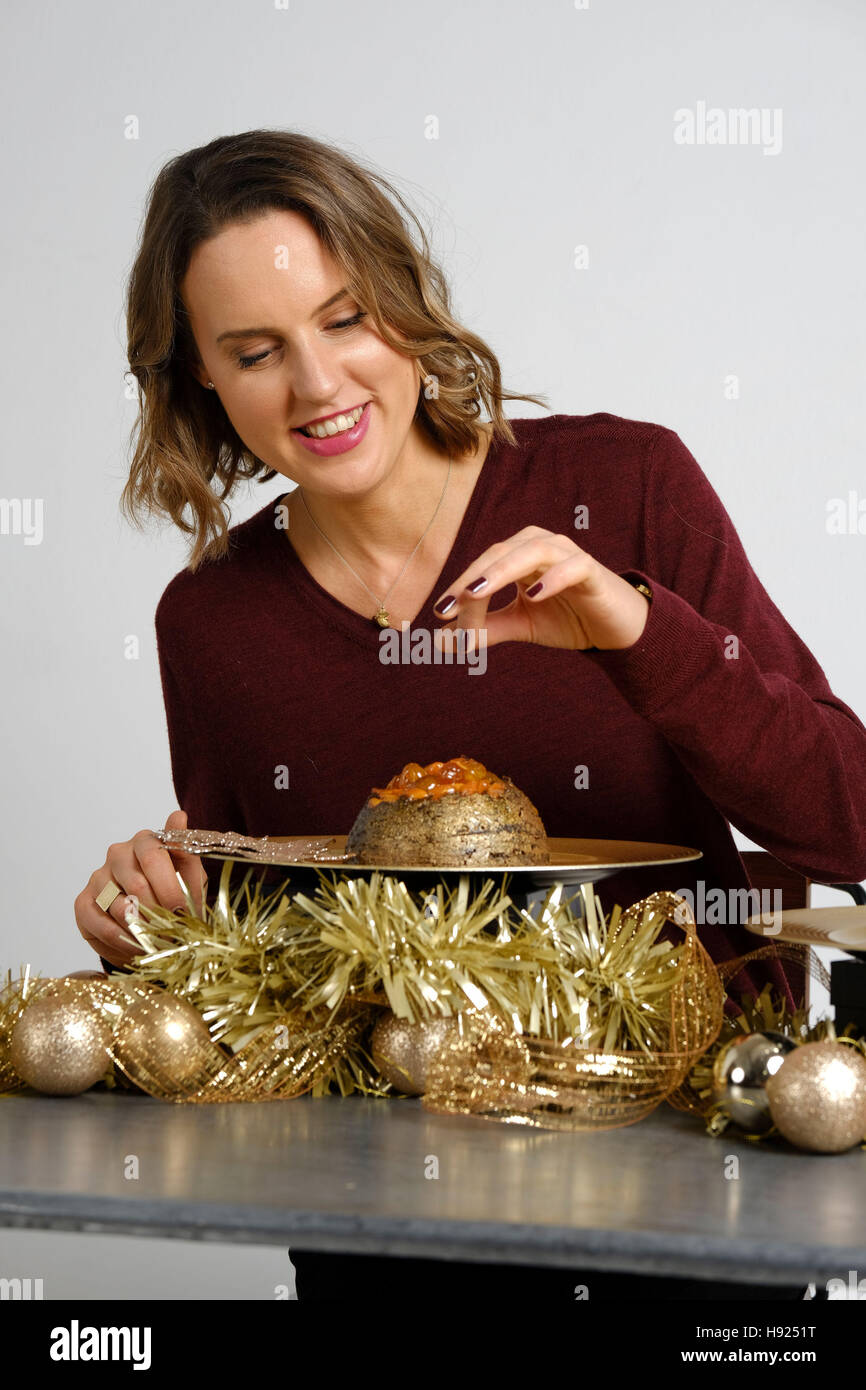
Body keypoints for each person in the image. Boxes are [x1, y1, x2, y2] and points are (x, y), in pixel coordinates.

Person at [75, 128, 865, 1301]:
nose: (318, 384)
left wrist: (634, 631)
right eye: (255, 350)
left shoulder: (629, 486)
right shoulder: (211, 620)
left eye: (346, 320)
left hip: (697, 1194)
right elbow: (276, 972)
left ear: (401, 303)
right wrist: (155, 926)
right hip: (390, 1232)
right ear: (197, 374)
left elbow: (842, 827)